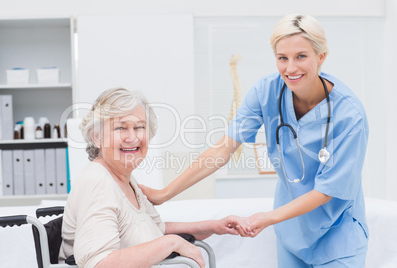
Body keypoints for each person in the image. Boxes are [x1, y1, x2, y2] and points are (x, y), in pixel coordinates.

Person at [140, 14, 369, 267]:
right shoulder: (267, 92)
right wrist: (164, 193)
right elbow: (223, 150)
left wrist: (268, 218)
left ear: (321, 57)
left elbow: (327, 191)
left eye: (301, 56)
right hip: (292, 233)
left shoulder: (349, 115)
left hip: (338, 237)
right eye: (282, 58)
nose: (290, 68)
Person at [59, 88, 241, 268]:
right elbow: (100, 263)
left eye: (139, 127)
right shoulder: (97, 183)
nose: (132, 137)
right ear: (97, 137)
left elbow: (157, 228)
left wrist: (213, 226)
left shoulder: (125, 179)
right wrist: (172, 243)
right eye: (120, 128)